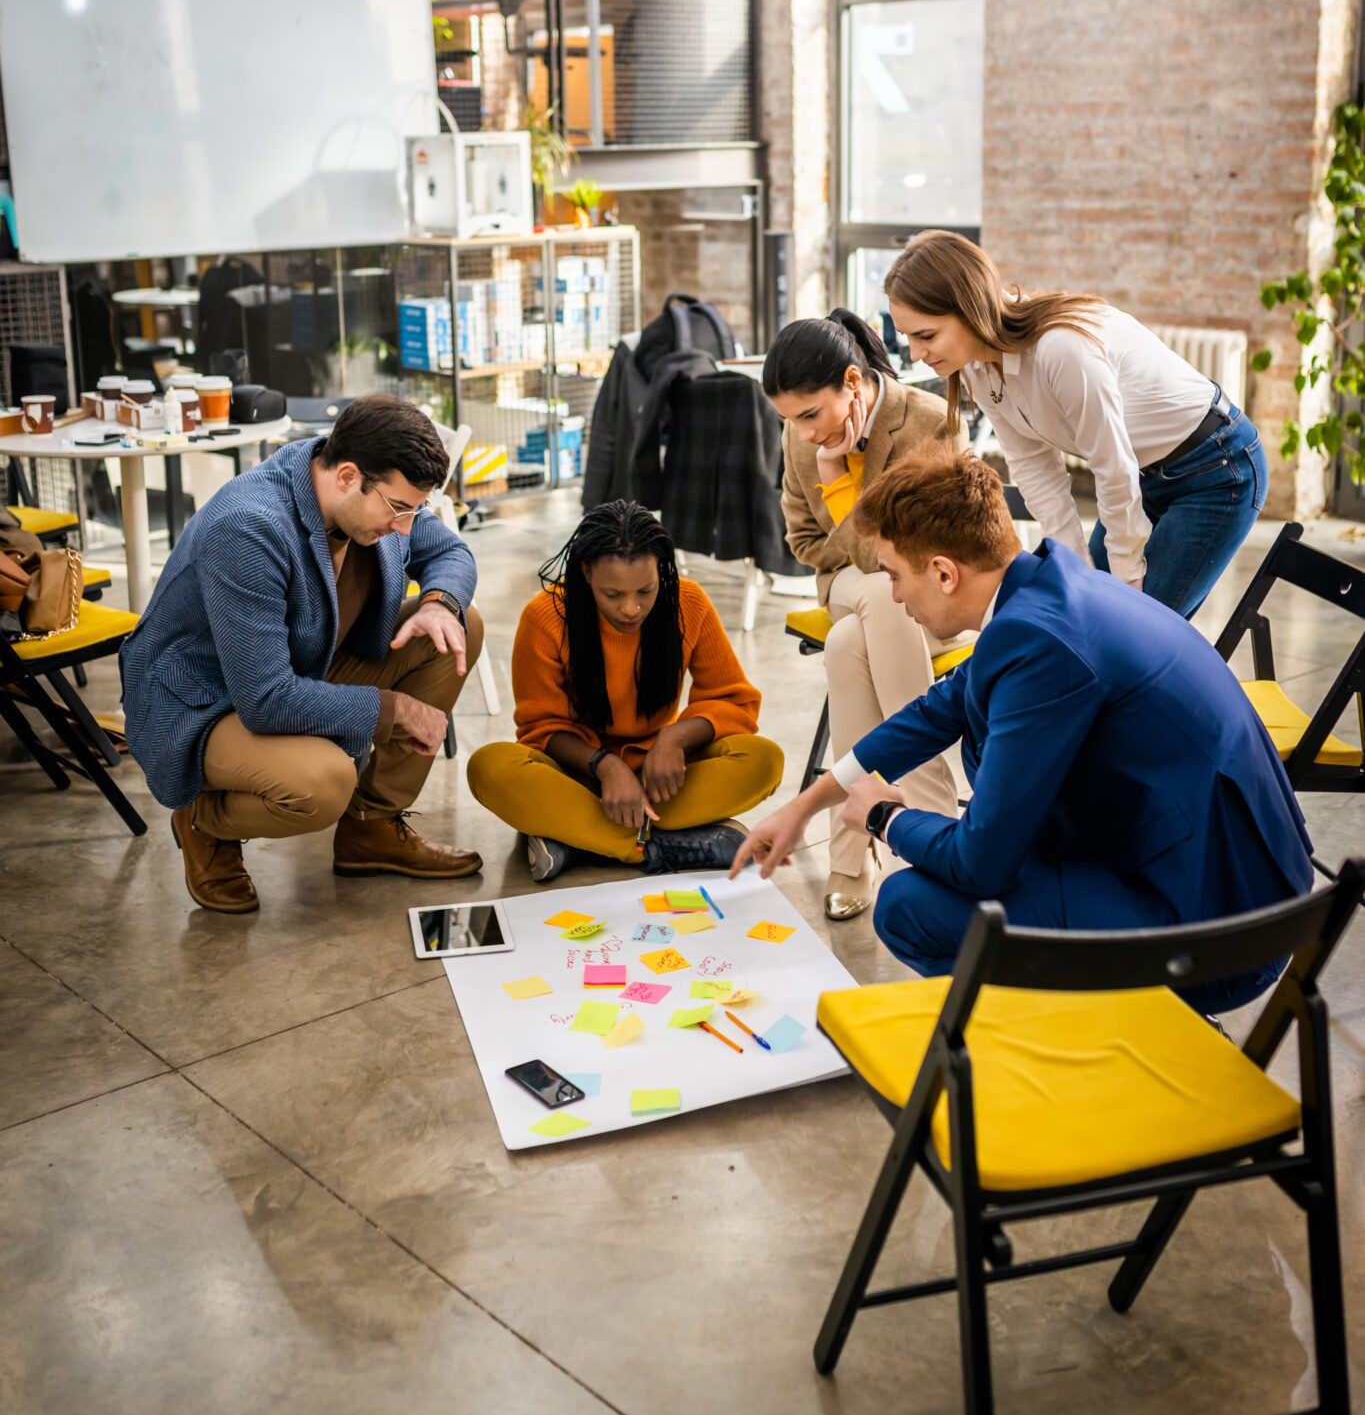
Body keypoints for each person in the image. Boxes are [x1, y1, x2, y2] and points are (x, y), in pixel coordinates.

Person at [729, 450, 1313, 1015]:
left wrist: (884, 818)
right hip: (1237, 880)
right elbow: (934, 712)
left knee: (907, 905)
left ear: (944, 573)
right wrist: (805, 806)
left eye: (895, 576)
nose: (896, 596)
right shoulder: (1046, 587)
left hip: (1220, 937)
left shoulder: (1036, 642)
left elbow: (979, 863)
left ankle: (1072, 1036)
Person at [121, 394, 485, 915]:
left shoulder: (369, 486)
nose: (406, 526)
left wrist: (439, 604)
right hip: (205, 701)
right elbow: (265, 698)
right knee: (323, 783)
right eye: (399, 509)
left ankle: (371, 827)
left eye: (416, 509)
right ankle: (204, 820)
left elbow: (450, 550)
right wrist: (393, 709)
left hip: (301, 662)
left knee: (457, 625)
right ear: (348, 477)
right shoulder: (248, 527)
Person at [883, 231, 1268, 619]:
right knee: (1087, 612)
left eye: (926, 335)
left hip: (1216, 468)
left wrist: (1126, 573)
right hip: (1142, 474)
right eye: (907, 337)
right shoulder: (974, 365)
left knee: (1129, 630)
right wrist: (1074, 572)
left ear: (969, 309)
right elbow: (1034, 467)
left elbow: (1111, 465)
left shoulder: (1060, 348)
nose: (915, 353)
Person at [763, 308, 963, 922]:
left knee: (849, 641)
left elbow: (927, 552)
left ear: (853, 382)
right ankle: (936, 831)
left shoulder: (928, 421)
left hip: (932, 598)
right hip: (849, 585)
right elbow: (803, 543)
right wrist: (836, 487)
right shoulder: (802, 441)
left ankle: (851, 858)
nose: (802, 434)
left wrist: (842, 491)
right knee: (875, 595)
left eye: (809, 415)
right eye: (790, 420)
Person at [467, 500, 784, 882]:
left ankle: (578, 840)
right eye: (612, 594)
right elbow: (541, 727)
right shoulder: (546, 615)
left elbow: (732, 699)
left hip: (661, 779)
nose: (632, 608)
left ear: (661, 570)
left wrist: (674, 740)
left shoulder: (688, 602)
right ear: (586, 573)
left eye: (645, 591)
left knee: (764, 759)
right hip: (578, 776)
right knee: (489, 767)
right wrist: (605, 765)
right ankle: (656, 846)